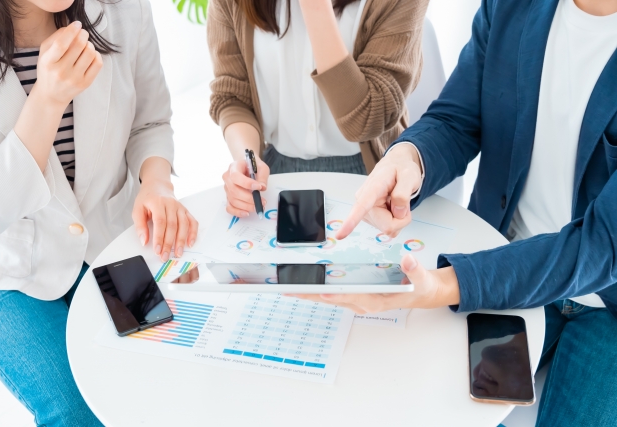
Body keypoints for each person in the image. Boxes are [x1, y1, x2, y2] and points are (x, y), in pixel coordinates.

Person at [293, 0, 617, 425]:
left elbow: (602, 244)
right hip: (504, 260)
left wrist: (447, 285)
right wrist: (408, 160)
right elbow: (457, 119)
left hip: (606, 305)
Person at [0, 0, 197, 425]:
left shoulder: (124, 10)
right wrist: (47, 100)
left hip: (107, 243)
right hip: (7, 268)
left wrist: (155, 183)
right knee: (76, 413)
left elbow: (150, 123)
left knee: (158, 382)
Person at [207, 0, 428, 217]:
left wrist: (315, 7)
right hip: (274, 171)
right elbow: (233, 97)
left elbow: (367, 119)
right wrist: (247, 161)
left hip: (374, 173)